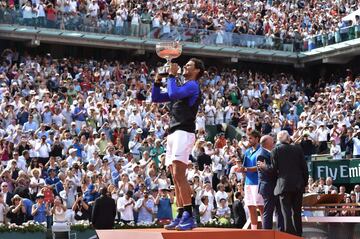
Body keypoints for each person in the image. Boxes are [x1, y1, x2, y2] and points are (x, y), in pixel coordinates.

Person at [151, 58, 204, 231]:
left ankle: (189, 215)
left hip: (184, 131)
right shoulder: (182, 87)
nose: (185, 66)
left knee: (179, 175)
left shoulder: (193, 85)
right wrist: (158, 80)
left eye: (189, 65)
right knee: (174, 175)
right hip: (174, 132)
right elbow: (156, 97)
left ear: (196, 71)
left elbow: (173, 94)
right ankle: (181, 213)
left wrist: (172, 75)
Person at [271, 131, 308, 237]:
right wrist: (304, 183)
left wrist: (265, 168)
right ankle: (298, 234)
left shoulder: (275, 150)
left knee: (286, 212)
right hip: (298, 185)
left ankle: (289, 235)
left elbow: (274, 170)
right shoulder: (297, 148)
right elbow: (304, 168)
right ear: (288, 139)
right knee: (297, 212)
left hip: (283, 186)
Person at [256, 135, 284, 230]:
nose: (275, 142)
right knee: (268, 212)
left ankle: (280, 234)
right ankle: (267, 235)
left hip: (275, 187)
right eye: (273, 141)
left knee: (280, 211)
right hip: (269, 187)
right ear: (267, 143)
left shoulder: (270, 152)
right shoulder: (261, 155)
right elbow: (268, 172)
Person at [240, 130, 263, 230]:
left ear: (257, 139)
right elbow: (244, 168)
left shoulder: (261, 151)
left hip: (258, 183)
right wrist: (241, 170)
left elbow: (259, 168)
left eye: (250, 138)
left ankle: (265, 230)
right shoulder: (247, 152)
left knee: (261, 207)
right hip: (248, 183)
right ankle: (254, 231)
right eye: (248, 138)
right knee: (250, 206)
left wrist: (245, 169)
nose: (248, 140)